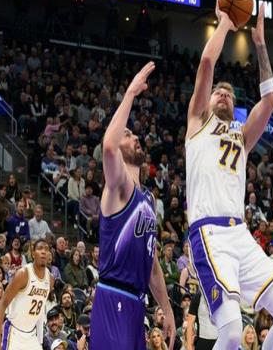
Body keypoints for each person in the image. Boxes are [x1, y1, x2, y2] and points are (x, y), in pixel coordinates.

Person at [186, 2, 273, 350]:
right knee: (233, 332)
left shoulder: (241, 135)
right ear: (208, 100)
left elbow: (270, 99)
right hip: (209, 232)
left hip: (240, 234)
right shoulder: (197, 122)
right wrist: (224, 22)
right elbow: (207, 64)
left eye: (229, 93)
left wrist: (261, 44)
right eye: (218, 92)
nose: (223, 94)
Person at [89, 62, 175, 350]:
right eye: (127, 134)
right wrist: (130, 94)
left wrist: (167, 308)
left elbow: (153, 265)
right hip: (114, 298)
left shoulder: (148, 199)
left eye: (134, 134)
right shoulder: (119, 186)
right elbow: (109, 146)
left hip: (137, 305)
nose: (135, 136)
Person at [0, 239, 53, 350]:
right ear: (33, 253)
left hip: (31, 335)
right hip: (14, 332)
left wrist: (39, 341)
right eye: (40, 248)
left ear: (49, 255)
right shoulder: (23, 274)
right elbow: (3, 303)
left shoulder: (50, 279)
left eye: (46, 249)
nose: (44, 251)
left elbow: (40, 313)